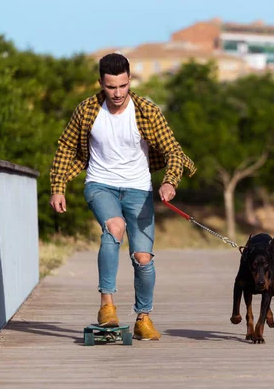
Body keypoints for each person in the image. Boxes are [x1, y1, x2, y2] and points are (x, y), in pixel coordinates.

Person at [49, 53, 196, 340]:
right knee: (113, 228)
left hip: (139, 188)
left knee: (142, 257)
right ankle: (107, 305)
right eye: (110, 87)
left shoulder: (147, 111)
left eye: (122, 86)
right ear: (101, 84)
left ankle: (144, 317)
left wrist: (169, 182)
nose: (117, 93)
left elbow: (173, 151)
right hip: (100, 184)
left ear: (130, 81)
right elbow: (66, 146)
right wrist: (58, 186)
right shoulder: (87, 110)